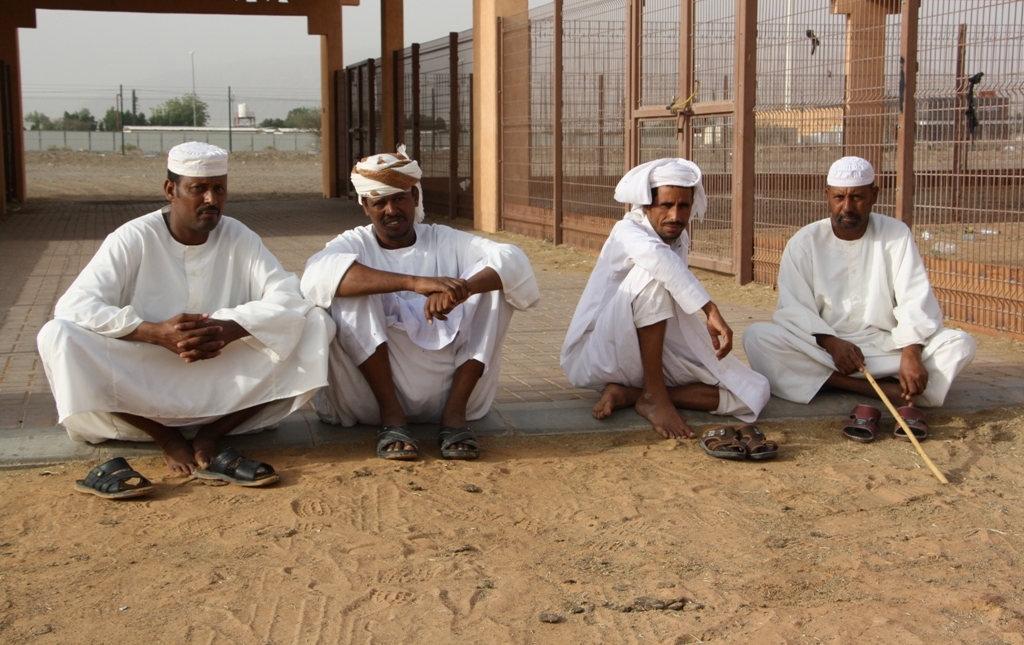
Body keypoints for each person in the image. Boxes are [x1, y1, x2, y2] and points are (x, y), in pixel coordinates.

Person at [37, 142, 334, 490]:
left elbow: (287, 294)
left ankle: (212, 432)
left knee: (316, 323)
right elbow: (75, 305)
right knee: (57, 335)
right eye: (198, 189)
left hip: (220, 361)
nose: (211, 199)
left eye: (219, 189)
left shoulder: (238, 235)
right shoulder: (134, 237)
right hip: (148, 368)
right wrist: (150, 332)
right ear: (170, 190)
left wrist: (232, 328)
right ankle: (166, 437)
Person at [301, 147, 539, 461]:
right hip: (367, 400)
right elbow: (315, 276)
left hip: (456, 396)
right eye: (380, 202)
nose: (391, 210)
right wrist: (415, 283)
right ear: (365, 206)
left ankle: (454, 418)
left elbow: (513, 260)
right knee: (342, 284)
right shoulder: (352, 243)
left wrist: (461, 289)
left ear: (414, 197)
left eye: (399, 198)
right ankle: (393, 418)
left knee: (494, 286)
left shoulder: (444, 239)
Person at [742, 156, 976, 442]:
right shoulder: (805, 242)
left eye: (857, 197)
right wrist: (831, 342)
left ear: (874, 195)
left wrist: (911, 353)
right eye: (839, 197)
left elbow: (914, 298)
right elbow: (794, 308)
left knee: (960, 343)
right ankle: (889, 391)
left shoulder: (896, 235)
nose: (848, 207)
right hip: (829, 351)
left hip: (888, 347)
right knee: (758, 337)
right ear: (826, 194)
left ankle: (840, 383)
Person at [560, 158, 771, 441]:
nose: (675, 215)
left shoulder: (678, 237)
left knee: (752, 393)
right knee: (653, 274)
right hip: (600, 348)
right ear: (647, 206)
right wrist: (709, 309)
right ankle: (655, 396)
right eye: (666, 205)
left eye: (683, 206)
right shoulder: (627, 231)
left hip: (651, 344)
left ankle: (639, 394)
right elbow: (659, 262)